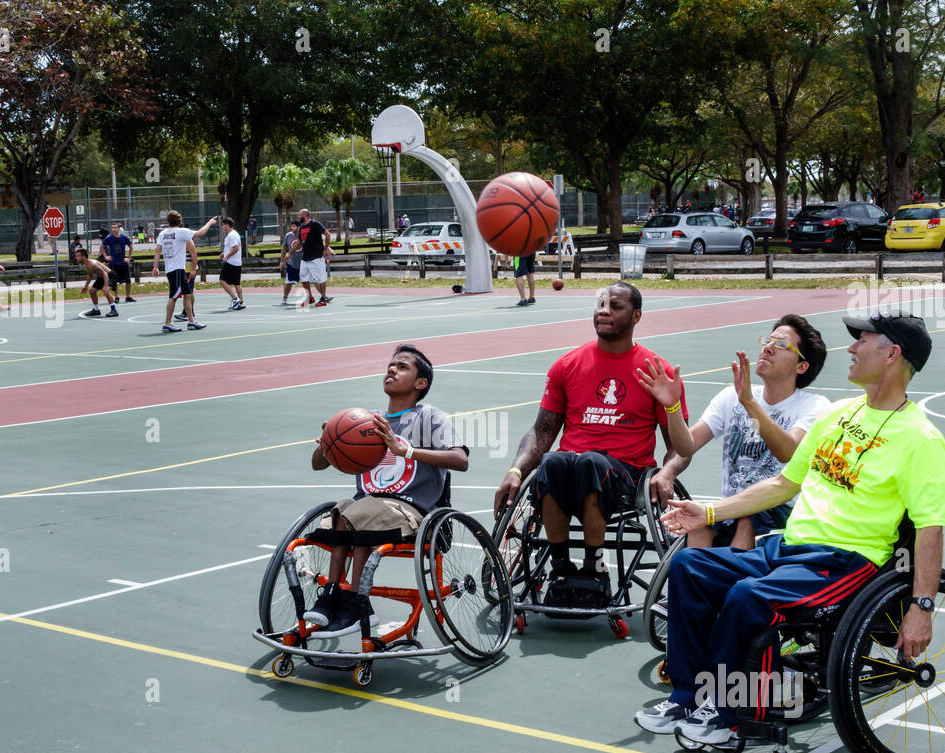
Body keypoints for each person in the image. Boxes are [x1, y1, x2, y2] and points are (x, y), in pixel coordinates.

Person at [634, 313, 945, 746]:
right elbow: (784, 484)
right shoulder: (839, 414)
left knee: (749, 597)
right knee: (690, 565)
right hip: (790, 548)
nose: (852, 348)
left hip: (845, 563)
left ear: (893, 354)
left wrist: (922, 607)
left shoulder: (922, 439)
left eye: (864, 340)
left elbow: (930, 531)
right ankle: (689, 697)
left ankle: (733, 714)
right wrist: (709, 514)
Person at [493, 282, 695, 606]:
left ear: (637, 315)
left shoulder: (657, 371)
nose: (604, 311)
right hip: (568, 466)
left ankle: (594, 567)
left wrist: (667, 473)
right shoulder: (567, 364)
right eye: (600, 304)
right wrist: (516, 469)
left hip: (625, 474)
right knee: (553, 462)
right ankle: (560, 568)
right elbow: (542, 432)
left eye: (615, 306)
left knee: (590, 463)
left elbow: (679, 446)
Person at [305, 345, 469, 637]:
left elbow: (460, 460)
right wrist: (328, 442)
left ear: (421, 384)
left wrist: (406, 450)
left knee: (359, 513)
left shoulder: (430, 417)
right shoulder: (364, 419)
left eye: (402, 366)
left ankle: (357, 603)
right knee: (342, 510)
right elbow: (318, 465)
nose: (392, 369)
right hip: (363, 509)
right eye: (391, 364)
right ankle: (332, 595)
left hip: (411, 513)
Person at [654, 315, 828, 550]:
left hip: (779, 514)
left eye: (781, 344)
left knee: (749, 520)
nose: (767, 348)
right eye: (768, 340)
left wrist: (749, 403)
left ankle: (731, 578)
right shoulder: (730, 397)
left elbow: (786, 451)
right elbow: (686, 447)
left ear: (801, 366)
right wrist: (672, 407)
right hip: (730, 509)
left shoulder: (814, 406)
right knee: (697, 525)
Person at [152, 210, 215, 332]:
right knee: (174, 297)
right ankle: (167, 323)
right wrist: (209, 223)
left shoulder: (162, 234)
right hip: (176, 270)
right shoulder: (181, 232)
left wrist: (155, 266)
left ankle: (191, 321)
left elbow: (158, 251)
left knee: (187, 294)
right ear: (179, 221)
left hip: (173, 269)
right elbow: (200, 233)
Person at [295, 207, 333, 307]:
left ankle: (323, 299)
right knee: (303, 278)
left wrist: (325, 249)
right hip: (305, 258)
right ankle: (309, 298)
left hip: (316, 257)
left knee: (320, 279)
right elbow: (299, 241)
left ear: (304, 216)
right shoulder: (302, 227)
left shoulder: (315, 224)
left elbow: (328, 235)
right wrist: (290, 253)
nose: (298, 217)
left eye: (299, 215)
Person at [73, 248, 119, 317]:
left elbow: (105, 274)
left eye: (78, 256)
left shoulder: (93, 264)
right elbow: (90, 275)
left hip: (110, 275)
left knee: (105, 291)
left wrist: (106, 286)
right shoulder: (86, 264)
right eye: (76, 256)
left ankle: (114, 310)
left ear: (84, 256)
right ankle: (96, 310)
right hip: (101, 277)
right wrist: (86, 286)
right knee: (92, 291)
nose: (76, 258)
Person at [101, 222, 136, 304]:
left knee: (128, 280)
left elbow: (131, 247)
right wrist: (106, 256)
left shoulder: (124, 237)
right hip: (114, 263)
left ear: (118, 228)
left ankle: (127, 296)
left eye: (115, 228)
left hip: (123, 262)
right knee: (114, 281)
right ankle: (116, 297)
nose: (113, 229)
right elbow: (102, 247)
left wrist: (129, 258)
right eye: (112, 228)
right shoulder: (109, 238)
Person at [217, 217, 246, 310]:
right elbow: (232, 247)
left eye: (223, 225)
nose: (222, 227)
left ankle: (235, 299)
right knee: (236, 283)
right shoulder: (235, 234)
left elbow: (236, 248)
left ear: (226, 225)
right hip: (237, 262)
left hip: (231, 262)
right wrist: (224, 253)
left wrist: (227, 256)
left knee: (222, 281)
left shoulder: (231, 235)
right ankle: (240, 302)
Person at [279, 220, 302, 306]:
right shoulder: (288, 236)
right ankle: (284, 298)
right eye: (291, 226)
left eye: (294, 226)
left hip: (304, 263)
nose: (292, 227)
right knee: (288, 282)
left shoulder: (304, 235)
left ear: (299, 227)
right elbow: (284, 248)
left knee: (313, 280)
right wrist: (281, 261)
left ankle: (323, 296)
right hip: (292, 263)